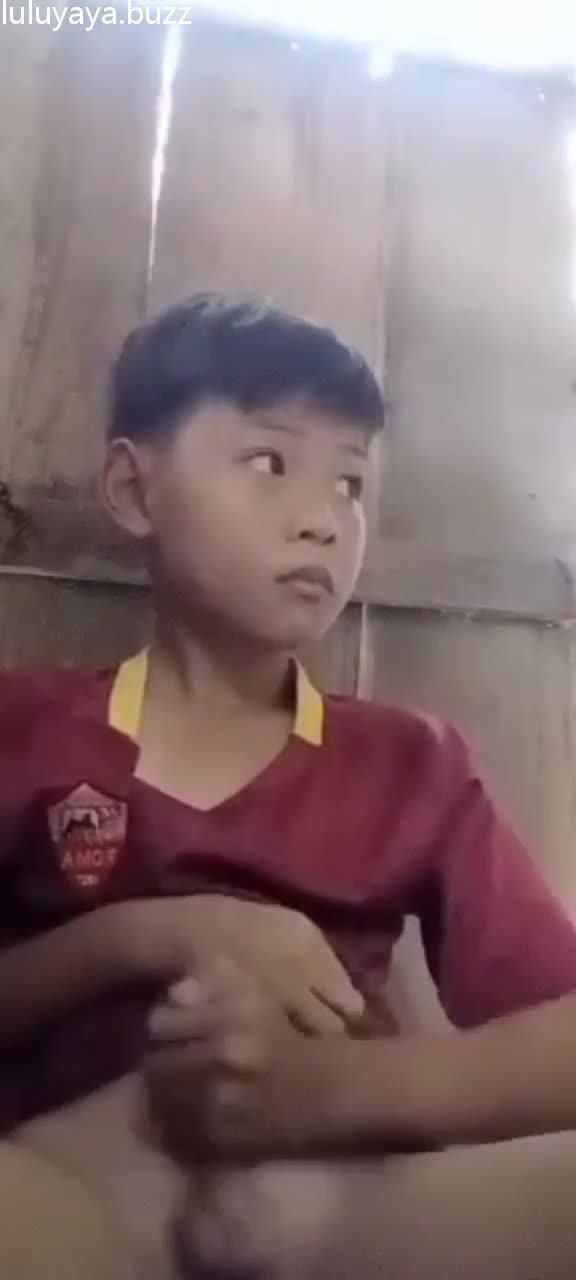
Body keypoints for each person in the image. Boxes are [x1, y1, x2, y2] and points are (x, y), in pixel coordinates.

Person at [1, 292, 576, 1279]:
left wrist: (340, 1089)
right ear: (134, 490)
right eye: (269, 462)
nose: (322, 521)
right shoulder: (24, 726)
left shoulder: (412, 762)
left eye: (349, 482)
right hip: (70, 1191)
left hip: (340, 1212)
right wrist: (144, 938)